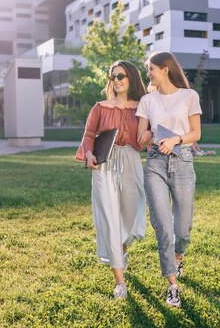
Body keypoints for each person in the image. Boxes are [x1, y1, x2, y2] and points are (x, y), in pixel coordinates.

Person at [75, 60, 148, 299]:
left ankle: (123, 246)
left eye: (121, 76)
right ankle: (120, 282)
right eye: (113, 77)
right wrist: (88, 154)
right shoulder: (100, 107)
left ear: (132, 79)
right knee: (108, 218)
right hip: (104, 164)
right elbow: (88, 136)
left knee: (133, 212)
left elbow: (149, 134)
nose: (116, 80)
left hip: (130, 160)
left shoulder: (143, 107)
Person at [136, 51, 202, 308]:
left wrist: (175, 139)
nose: (148, 74)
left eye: (151, 69)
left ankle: (179, 256)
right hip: (154, 163)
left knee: (182, 228)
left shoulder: (189, 96)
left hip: (183, 160)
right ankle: (172, 285)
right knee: (163, 226)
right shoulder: (147, 100)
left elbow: (196, 133)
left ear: (165, 69)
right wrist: (149, 134)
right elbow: (142, 136)